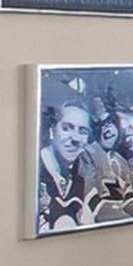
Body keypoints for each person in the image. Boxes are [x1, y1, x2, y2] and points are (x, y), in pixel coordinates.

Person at [37, 99, 93, 232]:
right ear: (52, 131)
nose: (75, 138)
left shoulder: (80, 174)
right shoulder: (35, 171)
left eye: (82, 131)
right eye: (67, 128)